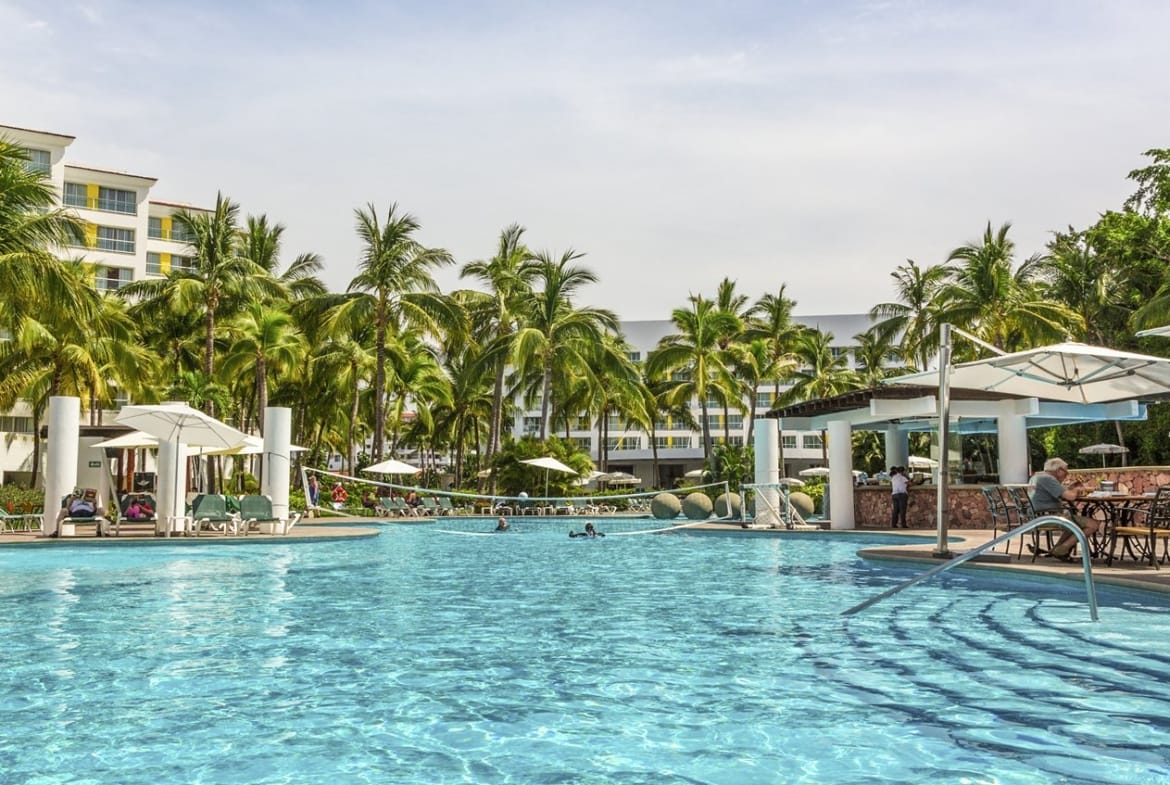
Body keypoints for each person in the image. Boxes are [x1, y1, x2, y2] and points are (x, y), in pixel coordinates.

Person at [1028, 457, 1099, 561]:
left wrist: (1070, 489)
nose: (1067, 474)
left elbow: (1060, 493)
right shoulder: (1048, 479)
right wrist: (1076, 489)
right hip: (1047, 517)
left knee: (1073, 523)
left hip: (1039, 516)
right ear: (1059, 470)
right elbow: (1070, 497)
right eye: (1066, 471)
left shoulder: (1037, 477)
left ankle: (1057, 549)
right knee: (1093, 525)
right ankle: (1062, 549)